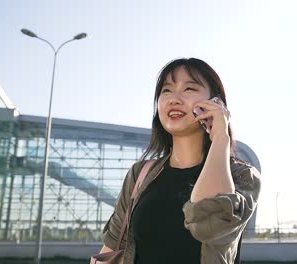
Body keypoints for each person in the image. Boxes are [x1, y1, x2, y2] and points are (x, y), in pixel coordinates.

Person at [99, 58, 261, 264]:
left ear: (216, 103)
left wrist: (221, 136)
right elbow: (112, 247)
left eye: (189, 89)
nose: (174, 99)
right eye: (166, 91)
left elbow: (209, 223)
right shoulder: (140, 174)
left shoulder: (241, 175)